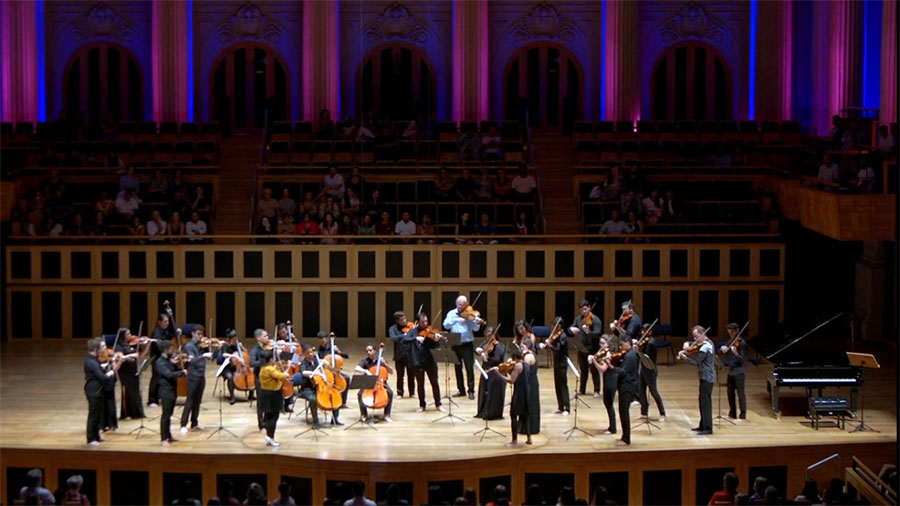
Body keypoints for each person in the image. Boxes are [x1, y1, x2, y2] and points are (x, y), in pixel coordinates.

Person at [592, 336, 639, 445]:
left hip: (628, 386)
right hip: (624, 385)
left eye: (622, 344)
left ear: (628, 343)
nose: (621, 347)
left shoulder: (630, 356)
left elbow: (623, 372)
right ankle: (624, 437)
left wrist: (610, 366)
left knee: (624, 412)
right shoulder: (627, 354)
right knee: (622, 411)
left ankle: (626, 439)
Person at [443, 295, 484, 400]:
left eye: (463, 304)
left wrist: (477, 322)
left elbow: (475, 329)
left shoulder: (470, 315)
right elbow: (446, 325)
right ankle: (461, 390)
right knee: (457, 368)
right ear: (456, 304)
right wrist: (456, 320)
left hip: (467, 344)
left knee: (469, 368)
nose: (461, 306)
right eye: (459, 304)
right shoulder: (451, 314)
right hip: (455, 344)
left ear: (467, 304)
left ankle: (471, 391)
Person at [494, 343, 535, 446]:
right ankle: (529, 438)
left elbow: (511, 380)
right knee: (525, 415)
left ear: (514, 358)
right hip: (526, 392)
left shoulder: (517, 366)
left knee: (513, 415)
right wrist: (508, 371)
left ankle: (514, 441)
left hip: (519, 393)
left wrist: (499, 374)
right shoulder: (525, 364)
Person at [678, 325, 715, 435]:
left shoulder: (706, 346)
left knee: (706, 403)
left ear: (703, 334)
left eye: (696, 336)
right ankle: (703, 425)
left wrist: (686, 358)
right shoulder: (705, 343)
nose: (695, 339)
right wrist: (687, 344)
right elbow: (695, 345)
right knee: (702, 401)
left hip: (707, 377)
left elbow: (698, 362)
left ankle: (708, 428)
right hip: (703, 377)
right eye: (694, 337)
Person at [179, 325, 213, 434]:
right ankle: (183, 424)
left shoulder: (201, 345)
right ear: (193, 334)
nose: (200, 336)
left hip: (201, 375)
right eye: (198, 334)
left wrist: (214, 349)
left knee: (198, 400)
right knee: (190, 400)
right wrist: (204, 355)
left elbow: (210, 357)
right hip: (193, 375)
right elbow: (192, 360)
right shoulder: (189, 346)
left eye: (201, 334)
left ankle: (194, 422)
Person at [410, 313, 445, 412]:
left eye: (426, 321)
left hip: (430, 360)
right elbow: (405, 339)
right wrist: (415, 338)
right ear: (418, 322)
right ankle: (422, 405)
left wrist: (437, 340)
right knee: (420, 384)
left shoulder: (431, 331)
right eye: (422, 322)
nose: (425, 324)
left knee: (435, 383)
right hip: (418, 361)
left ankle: (438, 404)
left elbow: (435, 346)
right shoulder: (413, 332)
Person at [84, 337, 115, 446]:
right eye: (103, 347)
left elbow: (98, 368)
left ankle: (97, 436)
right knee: (93, 415)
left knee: (98, 414)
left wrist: (104, 366)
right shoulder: (90, 361)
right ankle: (91, 438)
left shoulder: (94, 359)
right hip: (93, 390)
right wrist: (110, 373)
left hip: (98, 390)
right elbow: (102, 376)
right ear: (96, 349)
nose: (105, 348)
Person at [569, 300, 602, 398]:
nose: (583, 311)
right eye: (582, 310)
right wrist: (572, 329)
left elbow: (598, 333)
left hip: (592, 348)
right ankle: (582, 389)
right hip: (581, 347)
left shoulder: (595, 320)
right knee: (583, 370)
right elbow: (570, 328)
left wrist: (589, 332)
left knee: (594, 370)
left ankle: (596, 390)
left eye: (585, 309)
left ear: (589, 308)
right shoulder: (578, 319)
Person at [157, 340, 187, 446]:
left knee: (169, 414)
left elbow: (173, 368)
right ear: (165, 350)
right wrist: (182, 372)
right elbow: (169, 374)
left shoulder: (169, 360)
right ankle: (163, 438)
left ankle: (168, 435)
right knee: (166, 415)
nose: (173, 350)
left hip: (172, 389)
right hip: (165, 391)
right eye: (171, 348)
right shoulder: (160, 362)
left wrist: (178, 365)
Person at [354, 344, 394, 423]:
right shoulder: (364, 361)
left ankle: (387, 414)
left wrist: (385, 364)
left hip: (381, 382)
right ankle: (364, 415)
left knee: (390, 392)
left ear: (375, 351)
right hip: (368, 381)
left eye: (370, 350)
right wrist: (365, 371)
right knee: (360, 394)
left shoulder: (381, 360)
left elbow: (391, 372)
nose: (369, 352)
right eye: (367, 351)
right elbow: (356, 368)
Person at [539, 318, 570, 416]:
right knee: (557, 385)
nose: (553, 327)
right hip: (556, 363)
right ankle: (560, 406)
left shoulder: (563, 336)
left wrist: (550, 345)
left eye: (554, 325)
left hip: (562, 364)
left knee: (563, 386)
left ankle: (567, 407)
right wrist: (546, 345)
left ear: (560, 326)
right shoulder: (555, 336)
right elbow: (553, 347)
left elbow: (558, 349)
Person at [474, 325, 506, 420]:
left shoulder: (499, 346)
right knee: (483, 390)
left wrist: (487, 358)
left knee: (490, 392)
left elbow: (497, 359)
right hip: (485, 370)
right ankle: (482, 411)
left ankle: (489, 411)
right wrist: (478, 350)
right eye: (487, 336)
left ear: (494, 335)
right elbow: (478, 349)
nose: (489, 338)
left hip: (494, 372)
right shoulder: (486, 343)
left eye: (490, 336)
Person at [316, 331, 350, 418]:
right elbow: (321, 360)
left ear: (327, 339)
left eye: (324, 339)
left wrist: (338, 351)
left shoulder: (332, 347)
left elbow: (346, 356)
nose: (323, 341)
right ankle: (323, 401)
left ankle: (343, 402)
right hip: (326, 372)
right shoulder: (319, 349)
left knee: (346, 378)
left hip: (335, 371)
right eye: (321, 339)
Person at [636, 324, 666, 422]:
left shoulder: (651, 343)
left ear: (650, 332)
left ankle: (662, 413)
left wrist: (638, 350)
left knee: (654, 392)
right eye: (642, 331)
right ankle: (644, 412)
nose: (642, 333)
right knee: (641, 391)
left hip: (650, 370)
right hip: (644, 369)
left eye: (645, 331)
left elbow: (647, 357)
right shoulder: (645, 342)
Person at [291, 346, 325, 429]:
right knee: (313, 399)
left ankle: (335, 419)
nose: (310, 354)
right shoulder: (303, 363)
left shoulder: (317, 361)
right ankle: (316, 422)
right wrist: (316, 373)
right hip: (307, 389)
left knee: (332, 394)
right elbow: (304, 372)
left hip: (318, 387)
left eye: (311, 352)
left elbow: (324, 370)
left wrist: (325, 365)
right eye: (308, 353)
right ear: (304, 354)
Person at [114, 327, 144, 420]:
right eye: (128, 334)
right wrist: (131, 355)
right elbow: (120, 357)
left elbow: (140, 355)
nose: (130, 336)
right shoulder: (118, 346)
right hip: (124, 372)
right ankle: (127, 413)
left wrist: (147, 345)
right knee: (127, 391)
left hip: (133, 370)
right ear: (122, 336)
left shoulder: (131, 344)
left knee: (135, 391)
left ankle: (137, 413)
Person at [258, 350, 287, 446]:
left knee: (269, 416)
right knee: (273, 417)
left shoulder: (263, 368)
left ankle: (269, 436)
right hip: (272, 396)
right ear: (270, 359)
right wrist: (286, 372)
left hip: (265, 394)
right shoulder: (270, 369)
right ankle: (270, 437)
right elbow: (282, 376)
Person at [720, 322, 747, 421]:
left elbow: (742, 359)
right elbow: (724, 349)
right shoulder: (731, 340)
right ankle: (732, 413)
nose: (730, 334)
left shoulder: (742, 343)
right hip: (731, 371)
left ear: (737, 331)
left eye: (732, 332)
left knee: (740, 394)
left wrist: (736, 353)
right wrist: (723, 347)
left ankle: (743, 415)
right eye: (729, 332)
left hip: (739, 372)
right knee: (730, 392)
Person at [388, 311, 416, 398]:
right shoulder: (393, 329)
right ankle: (400, 393)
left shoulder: (411, 327)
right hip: (399, 355)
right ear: (397, 321)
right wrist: (405, 335)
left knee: (411, 375)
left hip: (410, 355)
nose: (404, 321)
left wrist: (414, 331)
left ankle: (412, 393)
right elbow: (394, 338)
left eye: (404, 319)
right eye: (401, 320)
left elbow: (415, 337)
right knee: (400, 376)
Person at [249, 328, 270, 431]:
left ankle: (267, 421)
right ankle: (261, 424)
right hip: (259, 378)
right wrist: (262, 362)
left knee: (268, 400)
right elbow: (252, 363)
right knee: (261, 401)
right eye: (265, 336)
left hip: (268, 378)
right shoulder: (254, 350)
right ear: (258, 338)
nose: (268, 338)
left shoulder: (267, 348)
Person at [214, 329, 241, 404]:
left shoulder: (237, 345)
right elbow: (224, 354)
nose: (236, 340)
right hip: (227, 367)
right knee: (230, 377)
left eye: (236, 339)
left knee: (251, 373)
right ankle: (232, 397)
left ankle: (250, 395)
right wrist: (232, 355)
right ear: (230, 339)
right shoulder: (225, 345)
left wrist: (242, 348)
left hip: (237, 367)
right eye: (234, 339)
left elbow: (244, 353)